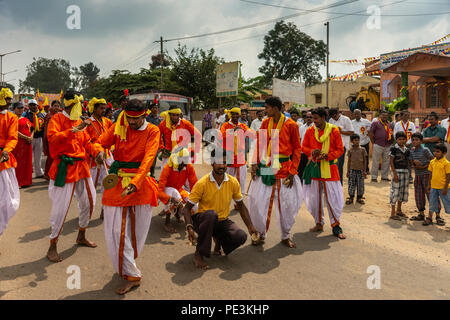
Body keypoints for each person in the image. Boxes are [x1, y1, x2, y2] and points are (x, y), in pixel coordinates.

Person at [95, 98, 160, 294]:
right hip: (117, 185)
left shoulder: (152, 131)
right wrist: (98, 151)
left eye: (136, 119)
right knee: (118, 232)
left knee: (137, 234)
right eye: (129, 119)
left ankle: (126, 263)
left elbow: (149, 159)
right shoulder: (118, 125)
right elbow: (99, 142)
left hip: (140, 185)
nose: (131, 123)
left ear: (144, 115)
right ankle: (133, 275)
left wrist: (135, 183)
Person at [181, 149, 258, 270]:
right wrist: (189, 228)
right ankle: (199, 254)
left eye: (224, 162)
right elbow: (186, 209)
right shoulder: (202, 183)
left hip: (222, 221)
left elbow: (241, 206)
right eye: (218, 162)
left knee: (241, 236)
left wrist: (250, 227)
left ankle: (219, 242)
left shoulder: (233, 182)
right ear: (212, 163)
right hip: (203, 221)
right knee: (211, 215)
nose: (222, 166)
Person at [46, 92, 99, 263]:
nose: (82, 107)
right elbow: (52, 139)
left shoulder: (79, 120)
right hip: (64, 167)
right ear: (70, 105)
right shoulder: (57, 119)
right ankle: (52, 245)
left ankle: (81, 235)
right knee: (60, 209)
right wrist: (72, 130)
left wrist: (97, 153)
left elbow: (87, 142)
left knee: (90, 201)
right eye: (79, 104)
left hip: (82, 166)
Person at [248, 96, 303, 248]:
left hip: (284, 168)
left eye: (267, 108)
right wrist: (254, 163)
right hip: (267, 165)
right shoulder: (266, 122)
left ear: (276, 108)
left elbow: (298, 149)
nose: (265, 111)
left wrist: (293, 172)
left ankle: (285, 236)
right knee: (260, 201)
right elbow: (260, 143)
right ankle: (260, 233)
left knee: (285, 205)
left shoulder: (291, 125)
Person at [302, 107, 346, 239]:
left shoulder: (334, 130)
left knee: (332, 199)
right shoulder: (310, 131)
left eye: (316, 118)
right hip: (315, 168)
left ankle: (336, 225)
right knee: (315, 198)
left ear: (323, 118)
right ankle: (319, 223)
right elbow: (303, 147)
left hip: (330, 170)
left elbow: (340, 150)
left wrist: (327, 156)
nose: (313, 121)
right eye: (313, 118)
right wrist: (312, 152)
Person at [86, 98, 113, 220]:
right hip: (93, 159)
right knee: (90, 187)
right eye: (101, 108)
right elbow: (85, 142)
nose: (103, 110)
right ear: (94, 108)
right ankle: (87, 210)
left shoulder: (108, 122)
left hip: (106, 157)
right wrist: (95, 153)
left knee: (107, 185)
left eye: (104, 108)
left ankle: (104, 209)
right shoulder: (88, 122)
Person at [158, 148, 198, 233]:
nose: (187, 161)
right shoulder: (168, 167)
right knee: (174, 193)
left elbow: (194, 185)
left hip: (179, 190)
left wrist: (194, 198)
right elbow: (159, 191)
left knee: (195, 204)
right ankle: (167, 222)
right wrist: (170, 199)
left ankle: (181, 216)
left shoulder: (188, 166)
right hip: (166, 191)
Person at [219, 107, 253, 195]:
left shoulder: (242, 126)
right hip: (229, 156)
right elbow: (220, 136)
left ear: (239, 115)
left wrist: (244, 130)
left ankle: (239, 200)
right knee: (227, 179)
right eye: (233, 114)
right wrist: (233, 130)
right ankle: (226, 197)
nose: (234, 116)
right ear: (230, 115)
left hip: (240, 157)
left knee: (241, 180)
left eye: (236, 114)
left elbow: (252, 134)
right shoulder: (225, 125)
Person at [0, 88, 20, 239]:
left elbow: (13, 137)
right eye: (7, 99)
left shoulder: (12, 117)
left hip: (4, 161)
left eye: (9, 99)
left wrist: (6, 150)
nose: (9, 102)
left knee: (6, 200)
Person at [158, 105, 201, 169]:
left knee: (186, 175)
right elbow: (157, 136)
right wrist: (161, 148)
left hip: (183, 153)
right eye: (173, 115)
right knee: (165, 176)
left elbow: (198, 135)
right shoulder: (163, 124)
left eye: (177, 115)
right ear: (169, 115)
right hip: (168, 153)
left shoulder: (185, 123)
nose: (176, 117)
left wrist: (195, 150)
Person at [409, 133, 439, 222]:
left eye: (417, 140)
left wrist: (423, 167)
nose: (415, 141)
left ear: (421, 141)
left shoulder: (425, 150)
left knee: (431, 194)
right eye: (413, 140)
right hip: (418, 176)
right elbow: (411, 164)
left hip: (427, 175)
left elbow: (433, 161)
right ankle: (421, 214)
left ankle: (437, 215)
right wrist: (414, 164)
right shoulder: (412, 151)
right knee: (419, 194)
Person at [424, 143, 450, 226]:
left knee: (448, 204)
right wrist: (429, 185)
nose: (435, 153)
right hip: (433, 187)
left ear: (444, 153)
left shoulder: (446, 163)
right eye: (434, 151)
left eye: (438, 151)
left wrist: (446, 187)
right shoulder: (432, 162)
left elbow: (448, 176)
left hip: (443, 188)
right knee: (432, 202)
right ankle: (429, 218)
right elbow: (430, 174)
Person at [328, 108, 354, 184]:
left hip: (342, 146)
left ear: (338, 113)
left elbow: (351, 132)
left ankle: (339, 184)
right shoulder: (331, 120)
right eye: (332, 117)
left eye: (335, 116)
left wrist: (340, 132)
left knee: (339, 166)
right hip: (332, 146)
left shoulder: (346, 119)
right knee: (332, 165)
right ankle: (333, 183)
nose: (334, 118)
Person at [389, 132, 410, 220]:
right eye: (399, 139)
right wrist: (394, 174)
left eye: (403, 139)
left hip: (405, 172)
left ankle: (399, 210)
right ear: (396, 140)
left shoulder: (407, 150)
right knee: (395, 191)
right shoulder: (394, 148)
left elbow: (408, 162)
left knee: (402, 191)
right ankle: (393, 213)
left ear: (406, 140)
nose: (401, 141)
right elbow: (391, 161)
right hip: (397, 172)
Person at [12, 102, 34, 188]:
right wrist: (26, 137)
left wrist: (31, 137)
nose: (20, 109)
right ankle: (18, 182)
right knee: (18, 163)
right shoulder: (12, 119)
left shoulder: (25, 119)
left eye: (21, 108)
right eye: (18, 108)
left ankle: (27, 181)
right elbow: (14, 131)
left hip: (27, 145)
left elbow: (32, 128)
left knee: (27, 163)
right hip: (18, 145)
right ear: (14, 109)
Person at [369, 110, 393, 182]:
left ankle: (384, 176)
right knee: (375, 161)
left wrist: (391, 142)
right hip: (378, 144)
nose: (385, 117)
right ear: (380, 115)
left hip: (387, 145)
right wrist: (373, 143)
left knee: (386, 161)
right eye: (383, 115)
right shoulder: (375, 123)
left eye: (386, 115)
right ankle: (374, 177)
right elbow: (371, 133)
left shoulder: (389, 124)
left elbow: (391, 133)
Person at [24, 99, 45, 178]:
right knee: (28, 157)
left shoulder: (42, 115)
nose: (33, 106)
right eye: (31, 105)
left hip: (39, 138)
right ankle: (28, 173)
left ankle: (39, 172)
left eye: (34, 105)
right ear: (28, 106)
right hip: (29, 139)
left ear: (37, 105)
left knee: (38, 157)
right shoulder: (26, 115)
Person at [346, 134, 367, 205]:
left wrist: (364, 171)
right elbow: (349, 161)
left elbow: (365, 161)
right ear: (352, 141)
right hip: (352, 170)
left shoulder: (362, 150)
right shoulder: (350, 150)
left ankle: (359, 197)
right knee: (351, 184)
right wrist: (347, 171)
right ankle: (351, 197)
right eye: (355, 140)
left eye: (358, 140)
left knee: (360, 184)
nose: (357, 141)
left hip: (360, 170)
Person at [43, 100, 62, 180]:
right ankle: (47, 174)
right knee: (51, 157)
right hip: (51, 138)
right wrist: (48, 139)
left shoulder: (59, 115)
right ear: (52, 106)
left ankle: (53, 173)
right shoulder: (49, 116)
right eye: (55, 106)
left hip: (58, 138)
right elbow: (47, 129)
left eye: (58, 106)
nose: (56, 108)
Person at [352, 109, 371, 173]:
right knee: (355, 157)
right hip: (355, 143)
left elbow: (371, 128)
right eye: (355, 114)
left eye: (358, 114)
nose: (357, 115)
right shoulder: (351, 122)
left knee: (365, 156)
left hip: (364, 142)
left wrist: (368, 132)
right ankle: (356, 169)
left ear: (360, 114)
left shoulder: (366, 121)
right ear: (353, 115)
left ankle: (366, 169)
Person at [146, 103, 161, 178]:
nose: (155, 109)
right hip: (147, 141)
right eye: (154, 108)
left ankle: (152, 173)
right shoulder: (147, 119)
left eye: (156, 108)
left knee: (154, 157)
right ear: (151, 109)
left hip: (156, 141)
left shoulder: (159, 119)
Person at [298, 111, 313, 183]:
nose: (309, 119)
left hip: (311, 153)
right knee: (301, 170)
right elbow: (299, 139)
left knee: (310, 170)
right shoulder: (301, 127)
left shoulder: (315, 127)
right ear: (305, 118)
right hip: (302, 152)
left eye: (310, 117)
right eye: (307, 117)